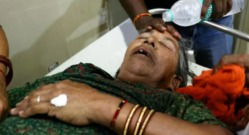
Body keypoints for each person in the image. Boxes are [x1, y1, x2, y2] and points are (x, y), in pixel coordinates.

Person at [0, 27, 234, 134]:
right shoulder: (82, 72)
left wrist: (98, 105)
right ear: (121, 65)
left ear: (175, 83)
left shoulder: (175, 106)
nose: (149, 42)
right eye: (143, 37)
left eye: (165, 45)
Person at [116, 0, 234, 68]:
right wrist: (141, 17)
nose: (148, 42)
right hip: (162, 21)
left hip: (214, 12)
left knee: (220, 79)